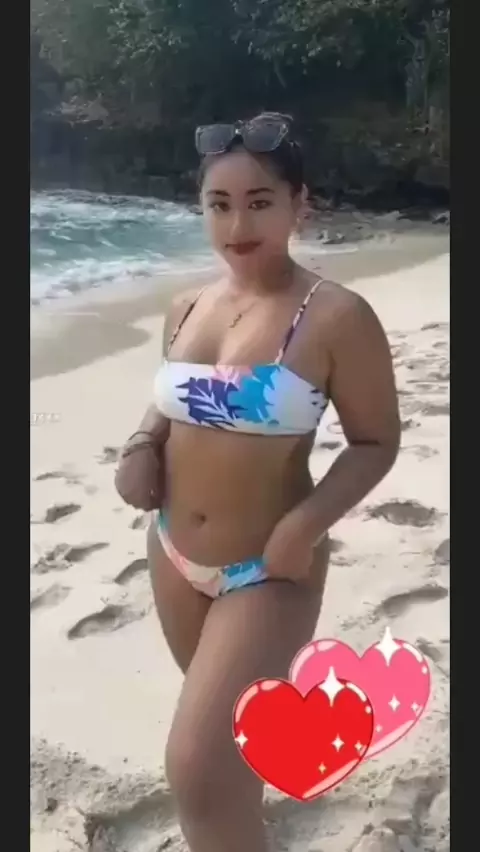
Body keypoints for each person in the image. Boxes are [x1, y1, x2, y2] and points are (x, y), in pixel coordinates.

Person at [115, 112, 400, 852]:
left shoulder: (336, 315)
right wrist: (142, 442)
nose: (237, 225)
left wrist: (302, 527)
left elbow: (376, 443)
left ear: (299, 204)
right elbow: (172, 396)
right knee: (231, 750)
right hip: (172, 554)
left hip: (269, 569)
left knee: (197, 770)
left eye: (259, 202)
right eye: (219, 204)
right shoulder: (186, 305)